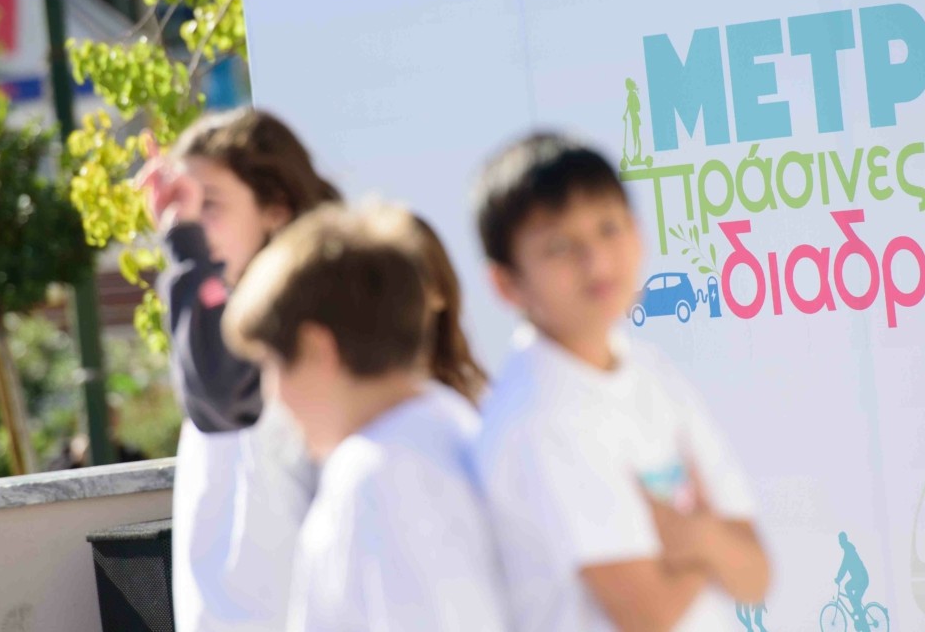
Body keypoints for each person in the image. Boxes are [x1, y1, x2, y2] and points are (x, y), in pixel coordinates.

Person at [141, 108, 490, 632]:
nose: (185, 218)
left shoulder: (312, 334)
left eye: (208, 202)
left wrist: (186, 250)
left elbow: (220, 390)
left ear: (276, 209)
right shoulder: (215, 329)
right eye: (181, 203)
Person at [471, 132, 770, 632]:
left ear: (637, 232)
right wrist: (708, 540)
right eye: (559, 247)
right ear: (507, 282)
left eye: (608, 228)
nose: (596, 260)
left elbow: (755, 576)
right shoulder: (539, 414)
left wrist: (690, 538)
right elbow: (648, 615)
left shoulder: (649, 371)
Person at [222, 203, 510, 632]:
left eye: (272, 364)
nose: (272, 394)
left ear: (317, 349)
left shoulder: (378, 476)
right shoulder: (444, 424)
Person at [835, 532, 869, 630]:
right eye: (839, 541)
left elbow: (844, 567)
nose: (840, 543)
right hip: (860, 579)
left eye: (840, 541)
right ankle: (857, 612)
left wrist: (838, 578)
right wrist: (839, 578)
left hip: (862, 579)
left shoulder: (849, 552)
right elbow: (844, 567)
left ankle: (863, 624)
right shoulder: (849, 550)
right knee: (853, 597)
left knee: (851, 593)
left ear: (844, 540)